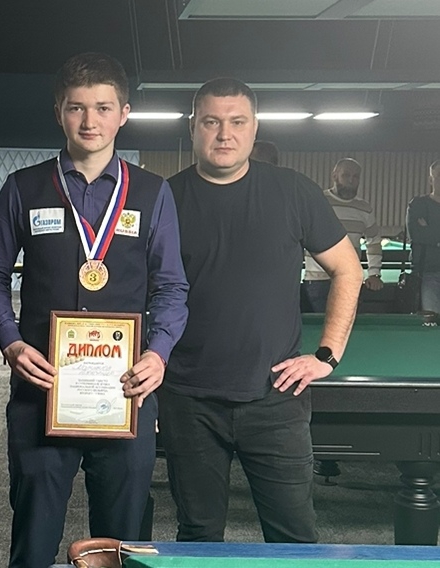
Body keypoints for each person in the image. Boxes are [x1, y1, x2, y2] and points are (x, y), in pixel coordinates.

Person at [0, 52, 189, 568]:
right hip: (40, 391)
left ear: (124, 114)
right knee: (33, 540)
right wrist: (10, 341)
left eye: (103, 108)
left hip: (125, 396)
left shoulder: (153, 192)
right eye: (77, 108)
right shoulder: (23, 187)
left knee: (122, 545)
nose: (90, 121)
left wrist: (158, 354)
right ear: (59, 112)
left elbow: (171, 287)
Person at [162, 77, 363, 543]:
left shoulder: (294, 191)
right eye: (211, 122)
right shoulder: (164, 198)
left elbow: (348, 270)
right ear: (193, 127)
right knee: (198, 535)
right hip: (188, 400)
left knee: (294, 538)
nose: (224, 134)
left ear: (255, 128)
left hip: (276, 397)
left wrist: (327, 355)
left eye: (237, 122)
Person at [302, 158, 383, 312]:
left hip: (349, 279)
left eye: (355, 176)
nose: (351, 180)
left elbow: (373, 242)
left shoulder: (364, 208)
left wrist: (374, 274)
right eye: (346, 175)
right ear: (335, 176)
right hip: (318, 280)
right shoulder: (317, 202)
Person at [406, 160, 440, 314]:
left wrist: (429, 230)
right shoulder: (418, 204)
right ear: (431, 180)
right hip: (426, 273)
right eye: (439, 176)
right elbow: (416, 234)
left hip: (428, 273)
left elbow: (425, 235)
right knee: (430, 321)